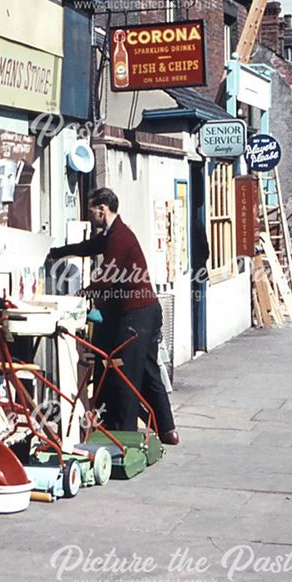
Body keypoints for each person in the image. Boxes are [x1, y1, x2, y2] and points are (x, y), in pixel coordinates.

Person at [47, 188, 179, 445]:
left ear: (102, 209)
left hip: (136, 314)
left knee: (124, 374)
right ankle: (168, 430)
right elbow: (89, 246)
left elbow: (108, 275)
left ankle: (125, 434)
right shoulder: (112, 234)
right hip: (147, 311)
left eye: (92, 211)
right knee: (149, 371)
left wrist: (82, 293)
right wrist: (60, 251)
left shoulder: (119, 236)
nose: (90, 216)